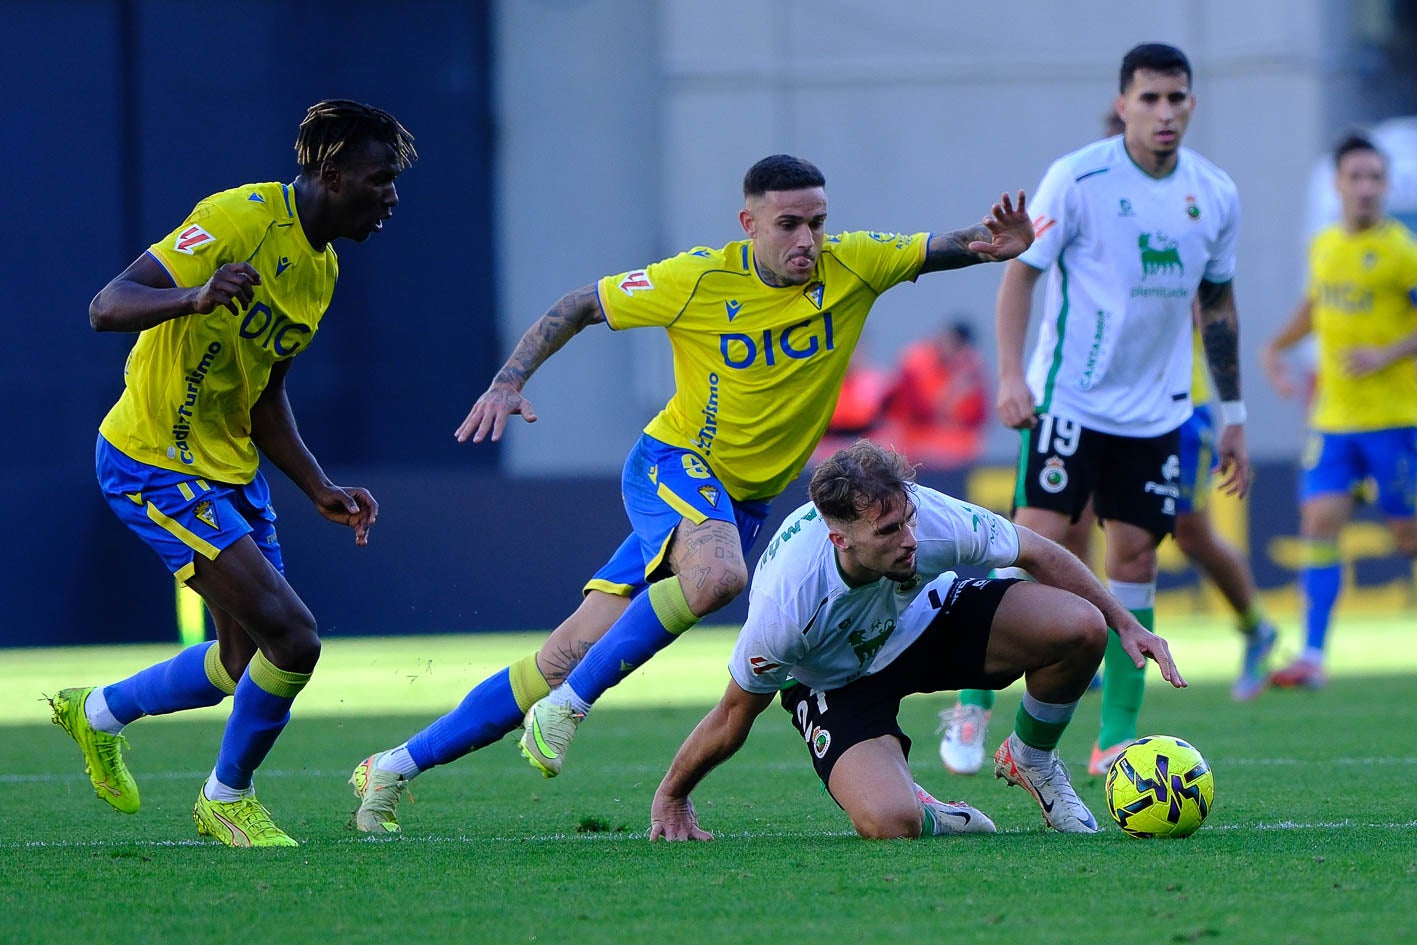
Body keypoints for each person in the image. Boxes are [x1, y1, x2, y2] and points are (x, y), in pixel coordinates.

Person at [348, 154, 1035, 833]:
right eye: (788, 223)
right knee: (717, 576)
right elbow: (579, 304)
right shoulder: (697, 277)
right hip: (673, 462)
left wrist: (991, 248)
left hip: (739, 500)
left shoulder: (852, 263)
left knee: (564, 652)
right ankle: (568, 708)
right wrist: (507, 380)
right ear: (749, 223)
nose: (806, 240)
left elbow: (944, 245)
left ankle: (394, 766)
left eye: (817, 223)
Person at [48, 100, 416, 847]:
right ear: (333, 172)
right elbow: (105, 305)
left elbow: (266, 391)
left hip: (227, 466)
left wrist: (317, 485)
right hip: (153, 458)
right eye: (380, 180)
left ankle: (94, 713)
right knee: (296, 638)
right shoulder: (238, 217)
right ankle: (226, 797)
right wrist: (194, 293)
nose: (392, 197)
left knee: (241, 658)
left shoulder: (322, 272)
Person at [938, 43, 1252, 781]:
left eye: (1176, 98)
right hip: (1068, 400)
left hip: (1156, 412)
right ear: (1123, 105)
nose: (1164, 112)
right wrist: (1012, 374)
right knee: (1032, 542)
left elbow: (1217, 306)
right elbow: (1021, 276)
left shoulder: (1214, 193)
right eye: (1149, 99)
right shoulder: (1076, 177)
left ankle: (1113, 736)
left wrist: (1233, 411)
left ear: (1191, 105)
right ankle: (971, 702)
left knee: (1135, 561)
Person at [648, 441, 1185, 841]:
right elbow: (732, 714)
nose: (909, 540)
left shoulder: (926, 518)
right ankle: (927, 807)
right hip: (838, 680)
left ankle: (1033, 759)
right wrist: (673, 794)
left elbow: (1040, 553)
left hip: (928, 619)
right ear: (840, 539)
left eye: (906, 520)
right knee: (890, 823)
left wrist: (1125, 622)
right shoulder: (788, 607)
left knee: (1080, 627)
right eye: (887, 533)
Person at [1260, 131, 1417, 690]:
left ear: (1386, 185)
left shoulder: (1402, 251)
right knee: (1319, 524)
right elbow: (1315, 306)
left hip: (1395, 420)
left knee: (1407, 538)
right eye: (1357, 177)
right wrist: (1275, 346)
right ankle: (1313, 656)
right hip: (1333, 420)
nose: (1367, 188)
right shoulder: (1324, 246)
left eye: (1376, 178)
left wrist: (1385, 353)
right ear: (1339, 185)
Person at [878, 319, 989, 468]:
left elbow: (978, 416)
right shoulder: (915, 363)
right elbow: (917, 412)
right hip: (915, 442)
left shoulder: (969, 368)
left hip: (955, 446)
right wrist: (952, 394)